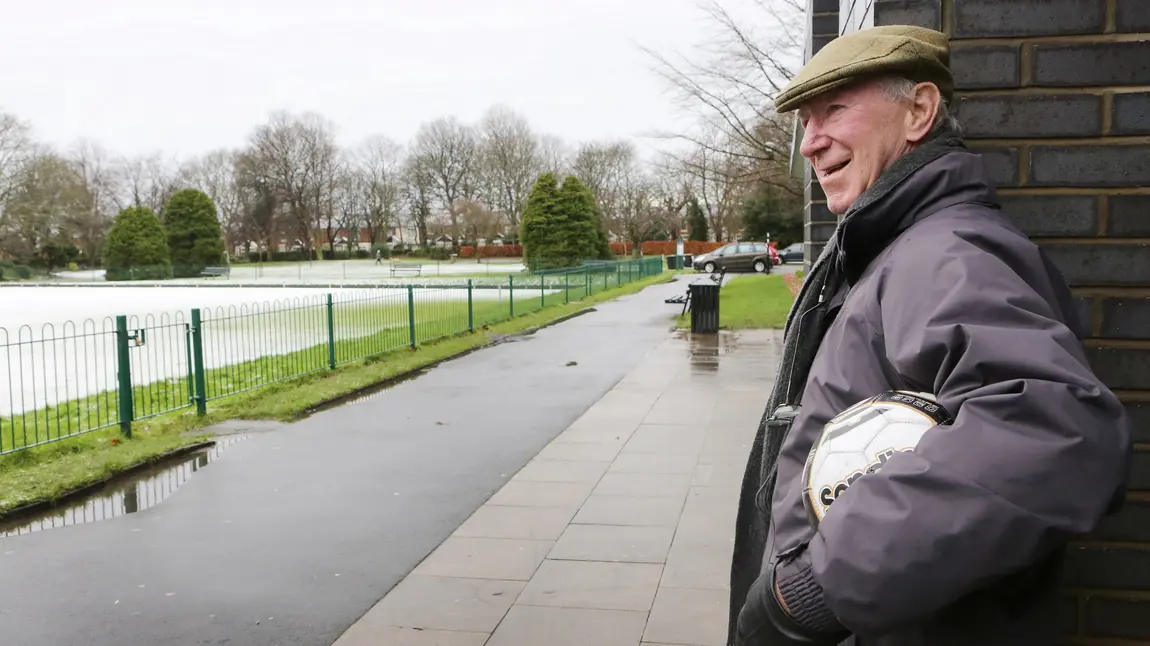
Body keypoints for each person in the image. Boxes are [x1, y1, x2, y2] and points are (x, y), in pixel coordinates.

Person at [728, 25, 1132, 646]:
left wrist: (808, 591)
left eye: (834, 110)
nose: (812, 142)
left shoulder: (947, 252)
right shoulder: (892, 248)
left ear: (919, 110)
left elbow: (1054, 432)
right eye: (804, 122)